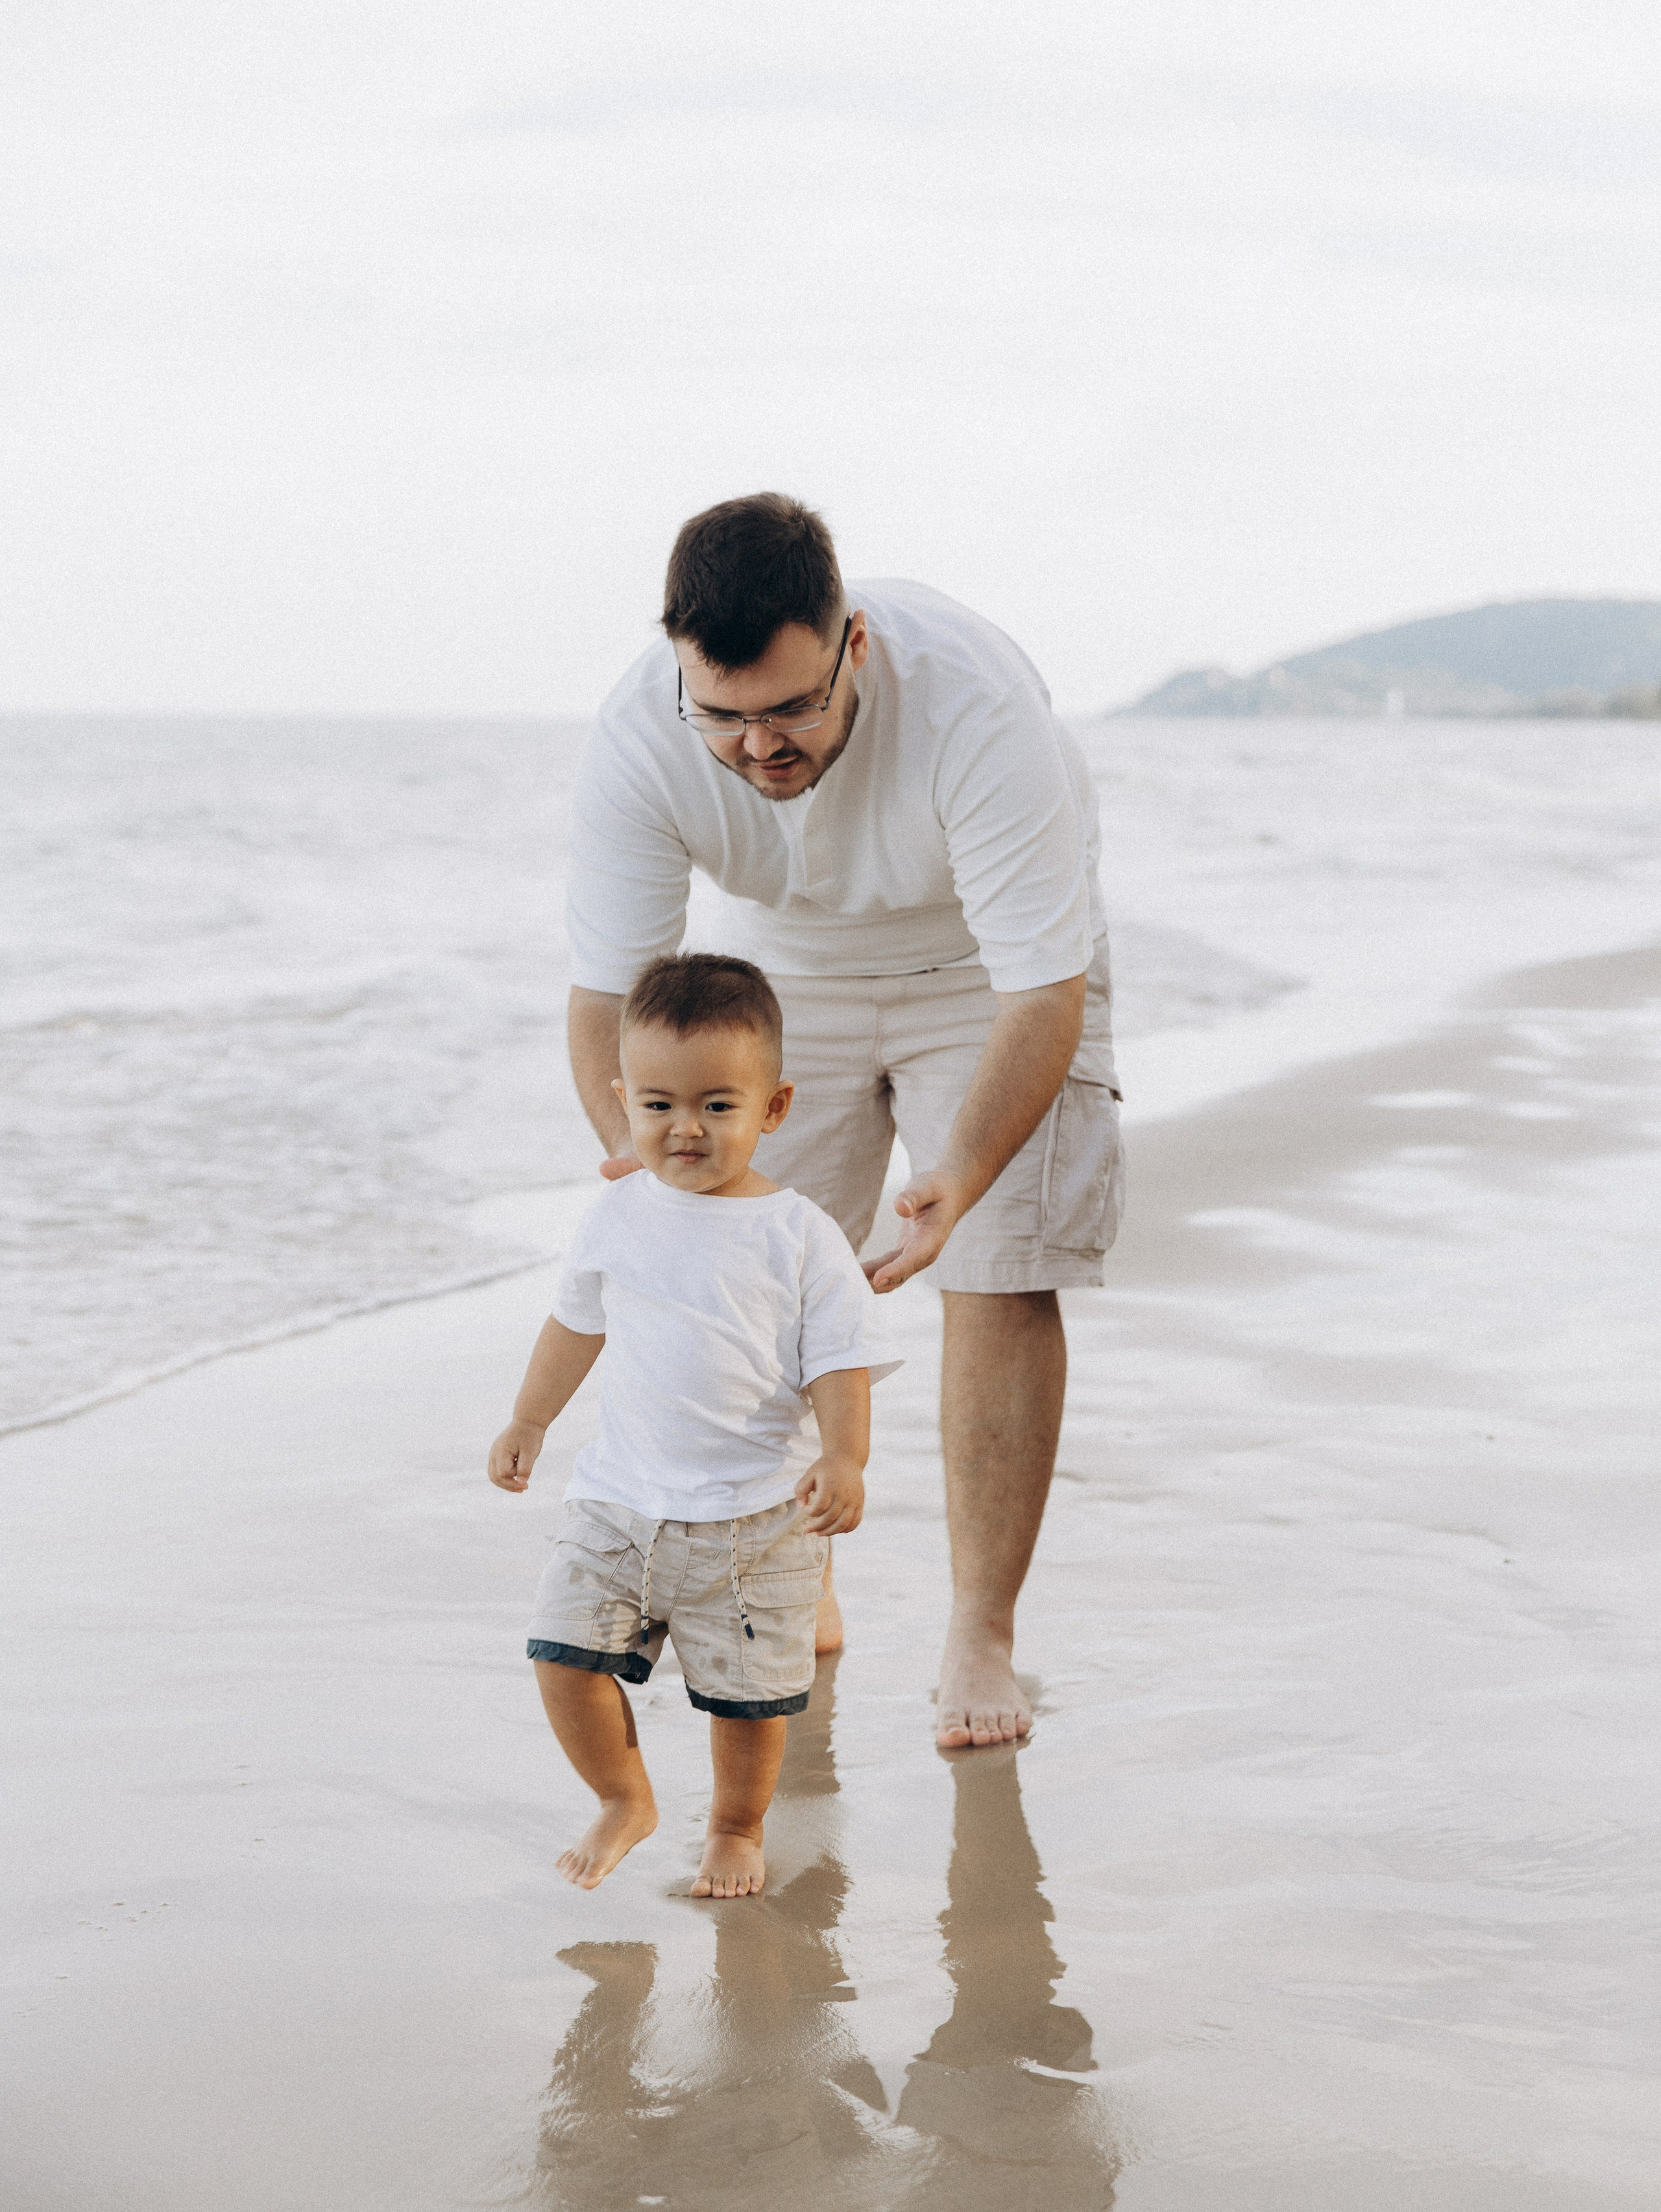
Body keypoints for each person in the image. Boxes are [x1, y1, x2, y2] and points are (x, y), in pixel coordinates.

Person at [565, 493, 1122, 1751]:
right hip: (789, 965)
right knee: (752, 1268)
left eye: (794, 709)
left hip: (989, 969)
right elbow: (609, 990)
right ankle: (796, 1579)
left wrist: (962, 1171)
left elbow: (1044, 984)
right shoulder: (638, 737)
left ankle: (979, 1627)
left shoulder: (975, 706)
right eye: (727, 716)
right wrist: (638, 1153)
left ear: (851, 643)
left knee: (994, 1268)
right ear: (681, 674)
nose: (761, 746)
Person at [488, 953, 897, 1896]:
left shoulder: (799, 1235)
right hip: (617, 1501)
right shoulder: (616, 1214)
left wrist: (845, 1456)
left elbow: (840, 1358)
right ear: (625, 1100)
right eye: (660, 1104)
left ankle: (735, 1825)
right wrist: (529, 1417)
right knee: (559, 1655)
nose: (686, 1127)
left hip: (756, 1517)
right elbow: (574, 1324)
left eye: (719, 1104)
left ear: (774, 1106)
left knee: (750, 1703)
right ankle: (624, 1796)